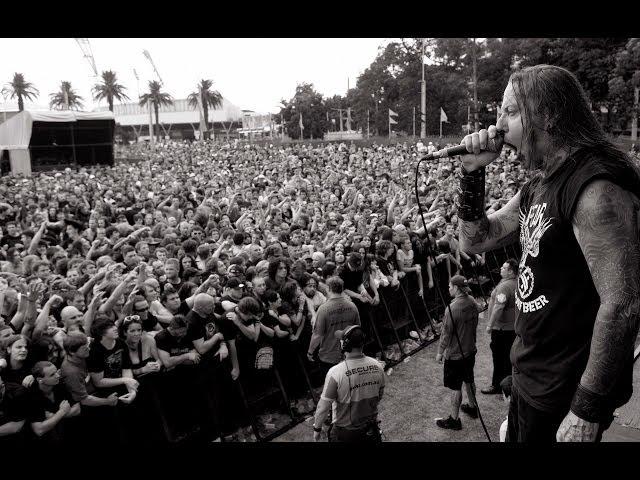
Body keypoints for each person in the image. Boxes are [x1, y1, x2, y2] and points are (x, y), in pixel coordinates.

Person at [456, 64, 640, 442]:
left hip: (563, 391)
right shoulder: (542, 181)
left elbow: (622, 303)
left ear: (550, 115)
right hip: (532, 376)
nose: (499, 126)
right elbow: (474, 240)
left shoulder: (594, 190)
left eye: (510, 111)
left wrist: (586, 407)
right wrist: (472, 173)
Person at [312, 325, 385, 443]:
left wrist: (317, 430)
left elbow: (323, 407)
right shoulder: (377, 366)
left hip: (345, 433)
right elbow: (379, 395)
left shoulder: (336, 372)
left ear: (344, 344)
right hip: (370, 429)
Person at [435, 275, 479, 430]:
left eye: (449, 286)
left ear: (456, 288)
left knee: (455, 386)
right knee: (469, 379)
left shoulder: (452, 309)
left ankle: (454, 420)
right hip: (470, 350)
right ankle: (473, 407)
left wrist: (440, 352)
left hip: (455, 355)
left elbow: (446, 333)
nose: (448, 289)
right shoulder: (473, 301)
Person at [307, 276, 360, 378]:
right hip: (348, 355)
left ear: (329, 289)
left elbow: (317, 335)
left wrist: (310, 352)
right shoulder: (352, 306)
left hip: (328, 357)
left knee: (332, 388)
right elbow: (357, 330)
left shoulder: (323, 309)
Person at [481, 259, 517, 395]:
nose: (501, 269)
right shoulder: (516, 282)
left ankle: (496, 385)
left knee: (499, 358)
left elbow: (498, 307)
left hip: (502, 329)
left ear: (511, 271)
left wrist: (490, 325)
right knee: (508, 358)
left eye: (504, 267)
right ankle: (508, 384)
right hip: (512, 328)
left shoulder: (505, 286)